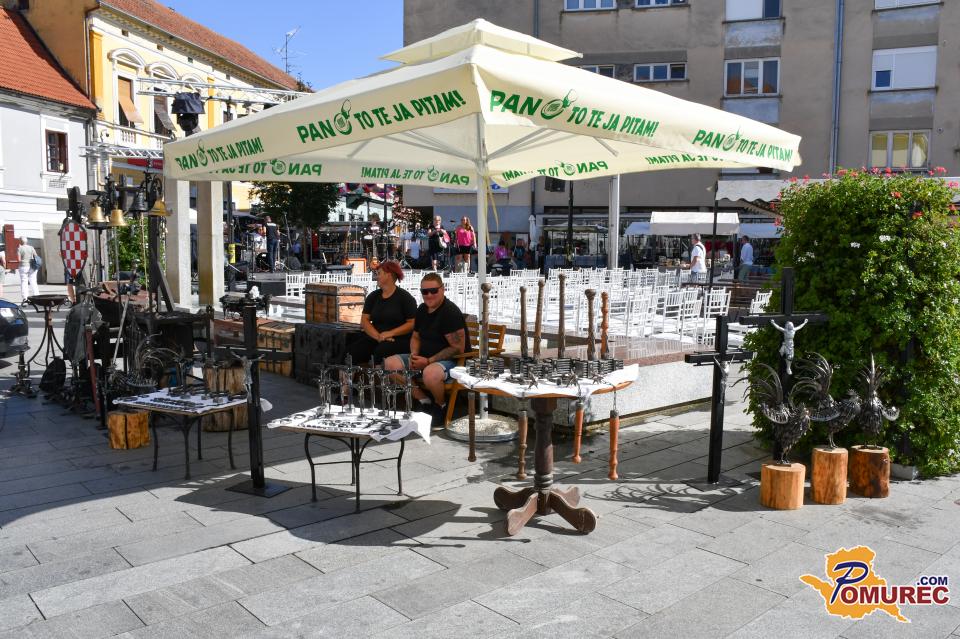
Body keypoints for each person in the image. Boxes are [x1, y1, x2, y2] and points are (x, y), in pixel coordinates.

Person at [384, 273, 468, 425]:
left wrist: (429, 361)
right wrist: (414, 355)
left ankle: (441, 405)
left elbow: (458, 348)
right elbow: (415, 337)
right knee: (389, 364)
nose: (429, 295)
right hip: (424, 357)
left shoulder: (450, 312)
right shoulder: (422, 309)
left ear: (442, 289)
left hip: (452, 361)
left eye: (433, 291)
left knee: (430, 373)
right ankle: (424, 400)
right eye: (425, 291)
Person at [347, 260, 417, 364]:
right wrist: (378, 336)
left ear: (389, 275)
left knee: (382, 351)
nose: (376, 277)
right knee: (354, 350)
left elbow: (412, 323)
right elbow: (364, 320)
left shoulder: (405, 298)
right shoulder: (373, 296)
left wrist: (391, 333)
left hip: (398, 338)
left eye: (379, 273)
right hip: (377, 336)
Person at [17, 237, 39, 302]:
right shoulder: (31, 247)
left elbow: (19, 259)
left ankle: (25, 298)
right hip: (32, 266)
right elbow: (36, 256)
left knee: (24, 282)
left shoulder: (19, 248)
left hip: (23, 266)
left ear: (20, 242)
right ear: (26, 241)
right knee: (33, 281)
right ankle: (37, 295)